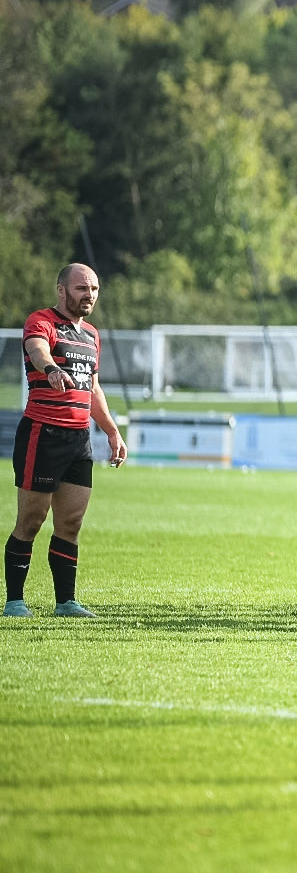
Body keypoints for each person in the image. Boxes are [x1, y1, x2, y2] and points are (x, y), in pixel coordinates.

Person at [5, 264, 127, 619]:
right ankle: (15, 602)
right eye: (81, 288)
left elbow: (93, 388)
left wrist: (112, 431)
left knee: (71, 523)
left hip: (79, 439)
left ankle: (66, 603)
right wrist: (51, 368)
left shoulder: (91, 334)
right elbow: (37, 349)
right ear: (62, 290)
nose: (89, 295)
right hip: (43, 434)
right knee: (31, 520)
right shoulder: (41, 321)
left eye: (94, 289)